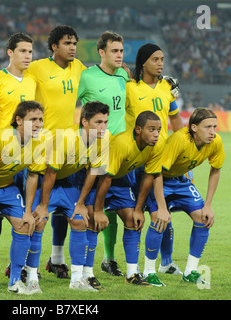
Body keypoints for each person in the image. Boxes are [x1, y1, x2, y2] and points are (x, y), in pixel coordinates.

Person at [100, 42, 184, 278]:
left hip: (159, 160)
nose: (160, 64)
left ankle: (165, 263)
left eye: (162, 60)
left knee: (160, 211)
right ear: (143, 62)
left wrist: (182, 158)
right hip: (131, 159)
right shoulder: (128, 87)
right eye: (156, 59)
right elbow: (114, 117)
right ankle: (111, 259)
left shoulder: (168, 87)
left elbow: (176, 121)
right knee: (119, 210)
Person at [28, 101, 110, 291]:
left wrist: (80, 203)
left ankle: (77, 280)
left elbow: (93, 172)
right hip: (43, 180)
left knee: (80, 221)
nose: (103, 127)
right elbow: (50, 173)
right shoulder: (66, 138)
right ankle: (32, 277)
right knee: (38, 222)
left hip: (67, 182)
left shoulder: (103, 140)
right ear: (84, 122)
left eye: (105, 122)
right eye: (98, 122)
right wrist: (42, 205)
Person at [26, 25, 87, 278]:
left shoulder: (80, 68)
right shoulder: (37, 67)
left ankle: (57, 259)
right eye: (67, 43)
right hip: (40, 148)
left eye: (74, 43)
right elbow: (13, 75)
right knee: (36, 213)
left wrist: (122, 70)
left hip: (68, 147)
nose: (72, 47)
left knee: (64, 208)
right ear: (54, 46)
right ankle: (26, 265)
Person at [142, 107, 224, 286]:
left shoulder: (216, 142)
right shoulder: (179, 140)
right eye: (207, 127)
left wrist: (208, 205)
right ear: (194, 127)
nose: (212, 132)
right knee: (158, 219)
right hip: (159, 178)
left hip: (181, 181)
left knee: (203, 218)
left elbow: (215, 170)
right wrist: (162, 208)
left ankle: (190, 271)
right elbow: (157, 173)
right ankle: (148, 272)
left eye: (215, 127)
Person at [0, 33, 36, 285]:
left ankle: (21, 268)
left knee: (23, 215)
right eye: (23, 51)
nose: (27, 56)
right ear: (10, 53)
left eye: (30, 51)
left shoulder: (32, 81)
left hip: (23, 159)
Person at [90, 110, 167, 287]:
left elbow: (149, 176)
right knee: (92, 222)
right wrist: (98, 210)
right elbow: (105, 178)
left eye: (159, 130)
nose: (156, 134)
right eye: (152, 129)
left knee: (134, 220)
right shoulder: (122, 143)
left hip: (122, 180)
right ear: (138, 130)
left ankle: (132, 274)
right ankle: (86, 274)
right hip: (98, 179)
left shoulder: (157, 144)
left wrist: (139, 209)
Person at [0, 100, 46, 295]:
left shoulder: (39, 141)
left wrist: (27, 211)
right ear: (18, 120)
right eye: (33, 119)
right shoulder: (1, 138)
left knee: (25, 224)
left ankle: (15, 281)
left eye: (40, 120)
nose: (38, 124)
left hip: (7, 188)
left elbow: (33, 176)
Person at [77, 30, 130, 278]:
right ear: (101, 52)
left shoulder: (123, 75)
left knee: (114, 209)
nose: (119, 55)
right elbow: (71, 105)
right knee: (87, 209)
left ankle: (108, 260)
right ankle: (77, 265)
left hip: (119, 154)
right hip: (93, 153)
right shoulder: (86, 77)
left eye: (121, 50)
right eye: (114, 51)